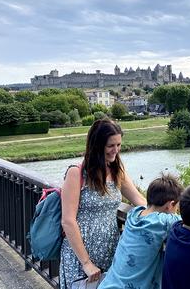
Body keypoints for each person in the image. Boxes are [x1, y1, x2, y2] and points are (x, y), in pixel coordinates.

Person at [60, 118, 147, 289]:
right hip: (80, 256)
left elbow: (139, 201)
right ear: (97, 145)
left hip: (110, 251)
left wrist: (165, 216)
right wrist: (86, 263)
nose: (116, 150)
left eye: (119, 145)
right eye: (110, 146)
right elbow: (68, 220)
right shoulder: (76, 173)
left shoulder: (117, 171)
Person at [98, 174, 184, 289]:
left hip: (109, 283)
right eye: (176, 208)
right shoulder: (162, 221)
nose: (176, 212)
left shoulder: (134, 213)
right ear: (170, 205)